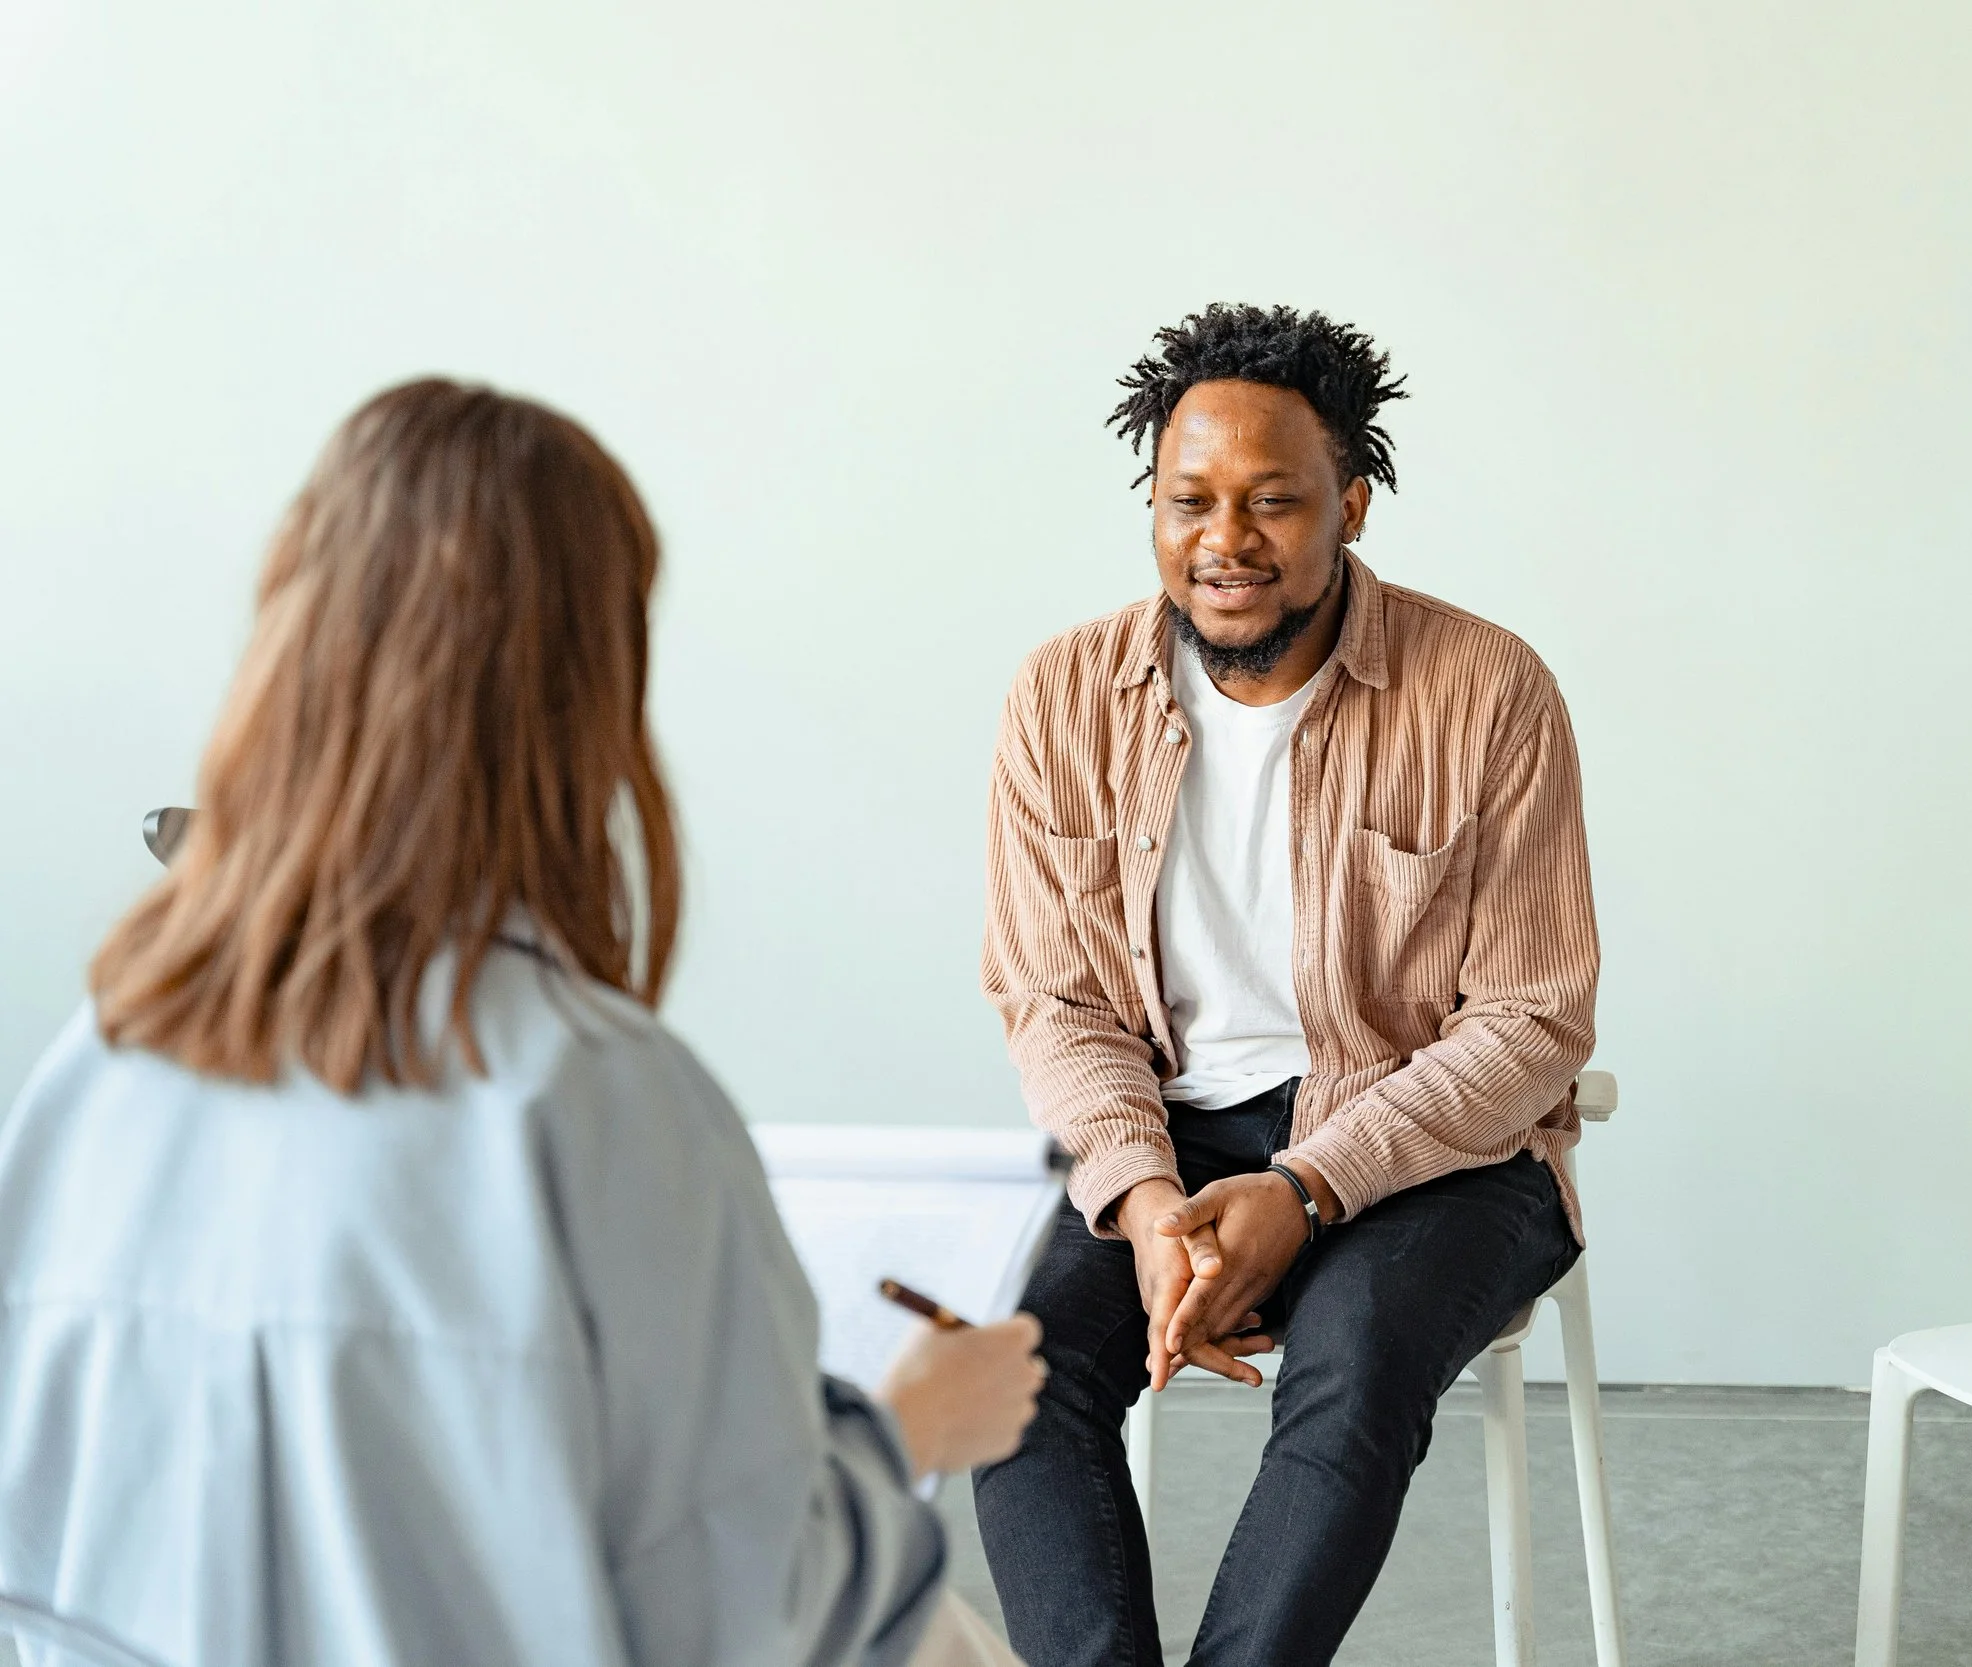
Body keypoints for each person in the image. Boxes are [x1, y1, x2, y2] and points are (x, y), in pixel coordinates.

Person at [0, 380, 1043, 1667]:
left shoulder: (100, 1068)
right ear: (587, 692)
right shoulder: (600, 1101)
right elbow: (746, 1623)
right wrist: (900, 1443)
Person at [974, 305, 1600, 1664]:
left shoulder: (1489, 690)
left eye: (1273, 501)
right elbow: (1055, 998)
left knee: (1353, 1360)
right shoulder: (1063, 698)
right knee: (1014, 1372)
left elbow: (1535, 1016)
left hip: (1432, 1148)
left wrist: (1308, 1187)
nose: (1226, 541)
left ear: (1351, 505)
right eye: (1189, 500)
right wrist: (1145, 1203)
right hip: (1168, 1134)